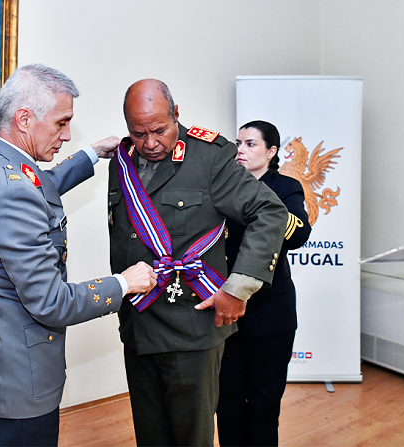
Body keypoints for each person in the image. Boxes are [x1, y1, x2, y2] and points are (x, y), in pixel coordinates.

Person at [0, 64, 157, 447]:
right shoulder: (11, 190)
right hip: (18, 381)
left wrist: (91, 155)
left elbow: (36, 186)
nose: (65, 135)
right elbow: (51, 303)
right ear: (25, 119)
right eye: (61, 124)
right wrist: (123, 283)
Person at [107, 79, 289, 446]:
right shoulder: (122, 161)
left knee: (192, 437)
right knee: (151, 434)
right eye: (138, 133)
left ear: (177, 114)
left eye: (159, 130)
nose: (150, 143)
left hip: (191, 325)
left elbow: (269, 212)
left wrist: (239, 287)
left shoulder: (210, 156)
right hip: (139, 322)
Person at [216, 120, 312, 446]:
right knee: (226, 400)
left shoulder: (285, 187)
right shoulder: (224, 185)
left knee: (264, 402)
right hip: (227, 307)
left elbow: (298, 233)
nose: (240, 149)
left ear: (271, 152)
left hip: (270, 310)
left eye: (251, 144)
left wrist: (263, 202)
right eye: (238, 143)